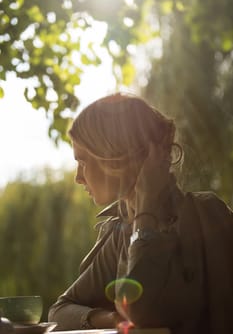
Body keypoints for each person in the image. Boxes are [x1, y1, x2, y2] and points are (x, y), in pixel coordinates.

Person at [48, 93, 233, 334]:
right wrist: (111, 319)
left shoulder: (208, 216)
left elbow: (138, 310)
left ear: (115, 157)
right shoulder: (119, 233)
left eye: (82, 161)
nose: (78, 177)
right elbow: (59, 311)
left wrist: (146, 208)